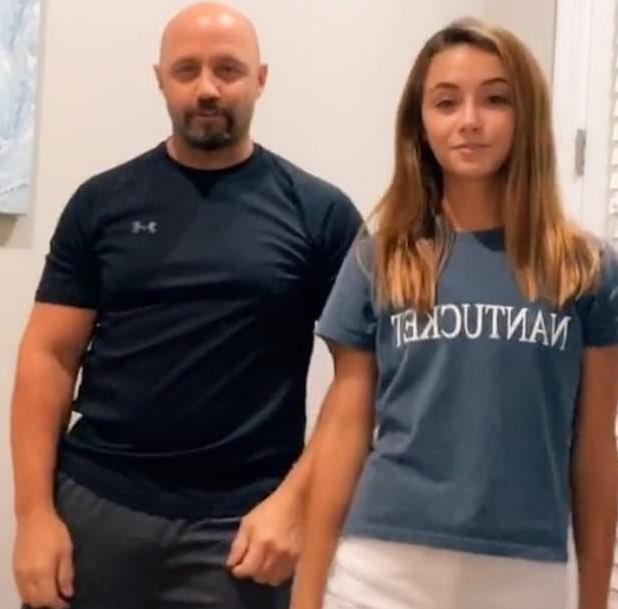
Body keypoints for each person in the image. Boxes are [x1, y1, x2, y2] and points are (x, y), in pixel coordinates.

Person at [10, 3, 361, 608]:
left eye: (228, 69)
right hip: (97, 513)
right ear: (160, 79)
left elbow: (359, 380)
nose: (206, 88)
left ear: (260, 79)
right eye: (186, 70)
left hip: (242, 535)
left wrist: (296, 502)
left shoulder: (321, 214)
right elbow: (49, 357)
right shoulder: (101, 203)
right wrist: (34, 516)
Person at [290, 17, 618, 609]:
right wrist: (306, 595)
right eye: (446, 102)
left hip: (526, 575)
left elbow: (594, 449)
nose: (469, 120)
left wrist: (594, 598)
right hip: (381, 569)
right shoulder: (379, 258)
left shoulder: (584, 268)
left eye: (495, 99)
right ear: (420, 122)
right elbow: (343, 431)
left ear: (527, 115)